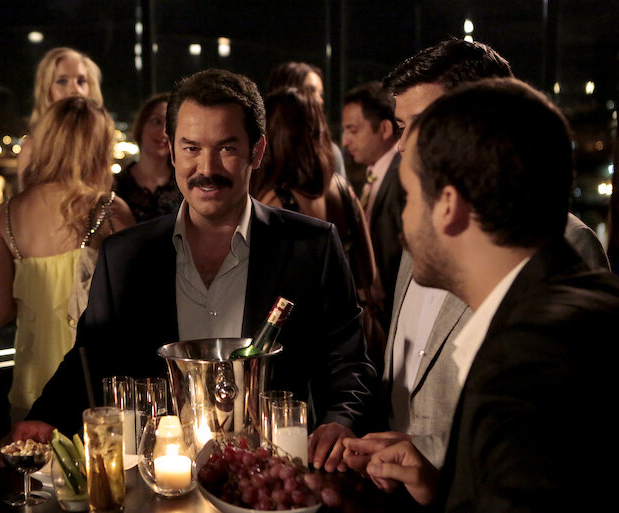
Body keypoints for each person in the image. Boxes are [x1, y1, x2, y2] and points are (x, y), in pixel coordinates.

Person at [0, 69, 377, 474]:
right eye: (191, 148)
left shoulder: (311, 246)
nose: (206, 168)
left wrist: (340, 421)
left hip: (273, 483)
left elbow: (349, 365)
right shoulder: (125, 255)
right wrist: (44, 416)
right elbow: (90, 357)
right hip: (161, 484)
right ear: (173, 152)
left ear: (257, 151)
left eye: (226, 148)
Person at [345, 78, 619, 512]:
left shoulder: (524, 365)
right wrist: (442, 488)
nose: (403, 222)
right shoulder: (586, 300)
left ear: (448, 205)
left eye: (409, 197)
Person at [0, 96, 135, 420]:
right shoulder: (110, 211)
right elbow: (135, 309)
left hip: (32, 389)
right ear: (98, 148)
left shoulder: (6, 214)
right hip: (94, 389)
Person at [251, 86, 385, 362]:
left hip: (302, 345)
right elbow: (368, 273)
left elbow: (267, 293)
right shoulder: (342, 189)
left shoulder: (274, 203)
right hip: (348, 339)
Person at [341, 81, 402, 330]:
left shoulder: (401, 176)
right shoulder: (375, 173)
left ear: (385, 128)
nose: (345, 140)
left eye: (353, 130)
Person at [16, 47, 103, 189]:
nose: (75, 89)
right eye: (62, 81)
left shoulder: (100, 142)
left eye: (81, 81)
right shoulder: (32, 149)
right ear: (46, 91)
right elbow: (25, 201)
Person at [265, 61, 346, 179]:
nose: (320, 100)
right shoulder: (260, 147)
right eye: (310, 91)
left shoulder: (328, 152)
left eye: (321, 94)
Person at [114, 92, 182, 223]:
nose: (164, 132)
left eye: (171, 125)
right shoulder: (116, 186)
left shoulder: (184, 185)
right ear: (142, 125)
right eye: (156, 121)